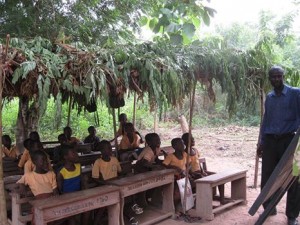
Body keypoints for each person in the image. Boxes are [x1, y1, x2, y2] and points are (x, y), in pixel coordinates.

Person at [257, 66, 300, 225]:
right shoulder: (270, 97)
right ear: (269, 79)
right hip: (270, 141)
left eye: (279, 76)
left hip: (291, 141)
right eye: (273, 77)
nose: (276, 79)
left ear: (283, 76)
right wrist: (261, 142)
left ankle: (292, 215)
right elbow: (266, 120)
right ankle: (269, 206)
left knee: (293, 178)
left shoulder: (295, 93)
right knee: (268, 176)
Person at [92, 140, 140, 225]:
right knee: (113, 202)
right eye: (108, 148)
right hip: (106, 186)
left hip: (116, 184)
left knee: (127, 191)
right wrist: (107, 184)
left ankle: (133, 207)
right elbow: (95, 178)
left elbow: (119, 172)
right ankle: (130, 217)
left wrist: (125, 175)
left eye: (111, 147)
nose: (111, 150)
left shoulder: (114, 159)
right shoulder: (98, 162)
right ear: (102, 151)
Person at [17, 150, 58, 225]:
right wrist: (22, 187)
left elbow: (55, 192)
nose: (46, 162)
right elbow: (20, 182)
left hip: (51, 203)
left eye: (46, 160)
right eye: (43, 160)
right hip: (39, 205)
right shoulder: (29, 176)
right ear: (34, 162)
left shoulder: (51, 174)